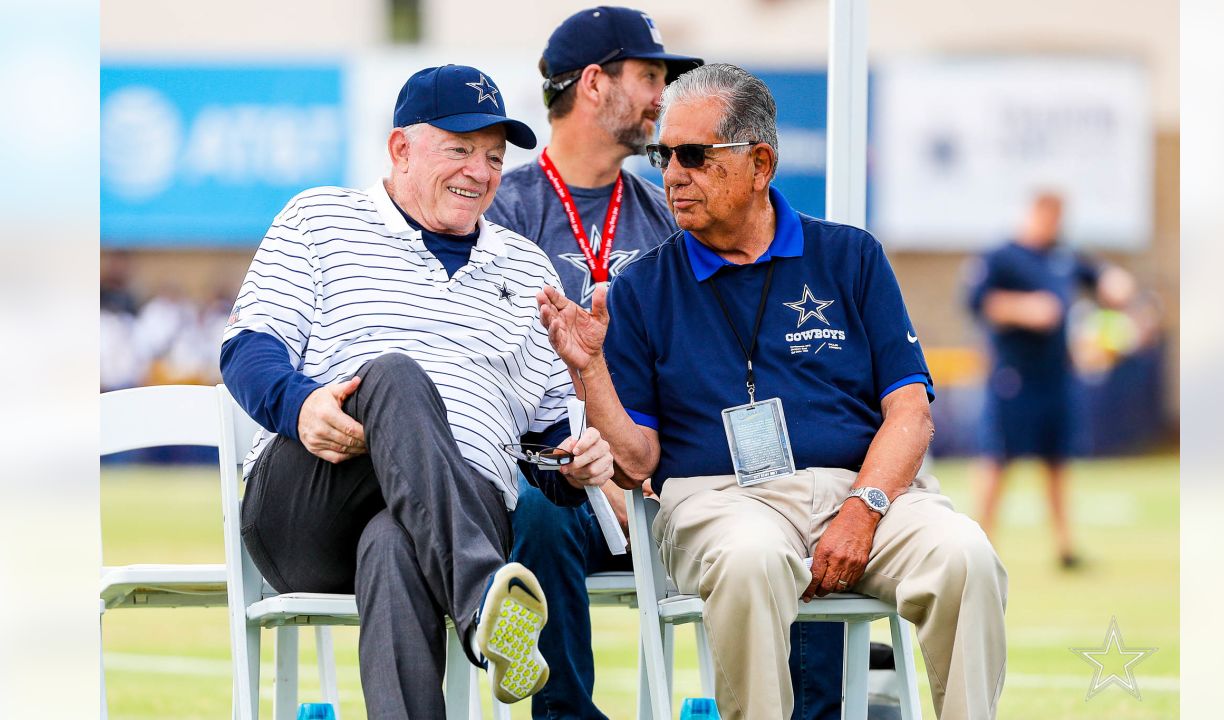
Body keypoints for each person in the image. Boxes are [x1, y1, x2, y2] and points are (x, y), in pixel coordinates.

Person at [537, 63, 1008, 720]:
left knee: (967, 556)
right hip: (723, 502)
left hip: (864, 492)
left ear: (760, 163)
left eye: (695, 156)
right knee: (751, 558)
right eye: (663, 154)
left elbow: (910, 413)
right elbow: (636, 463)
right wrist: (589, 371)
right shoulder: (643, 287)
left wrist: (862, 509)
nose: (673, 174)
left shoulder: (851, 256)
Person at [219, 64, 615, 718]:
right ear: (400, 149)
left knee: (396, 544)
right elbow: (248, 347)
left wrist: (575, 465)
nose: (480, 171)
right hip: (315, 494)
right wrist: (300, 404)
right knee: (399, 373)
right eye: (458, 149)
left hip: (458, 504)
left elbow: (543, 442)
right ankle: (485, 595)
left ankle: (480, 597)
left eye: (494, 156)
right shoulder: (319, 218)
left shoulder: (529, 268)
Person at [482, 7, 702, 718]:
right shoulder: (500, 212)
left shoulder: (669, 213)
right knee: (543, 512)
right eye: (647, 76)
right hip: (555, 472)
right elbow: (488, 376)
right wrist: (587, 463)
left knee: (783, 505)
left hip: (666, 475)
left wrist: (644, 470)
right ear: (593, 84)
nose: (660, 96)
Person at [965, 192, 1136, 568]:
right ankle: (979, 544)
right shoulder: (1002, 257)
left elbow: (1102, 276)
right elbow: (976, 302)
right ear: (1030, 214)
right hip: (1014, 377)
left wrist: (1114, 281)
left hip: (1057, 376)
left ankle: (1065, 548)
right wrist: (1025, 309)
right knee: (998, 458)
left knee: (1058, 461)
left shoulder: (1065, 256)